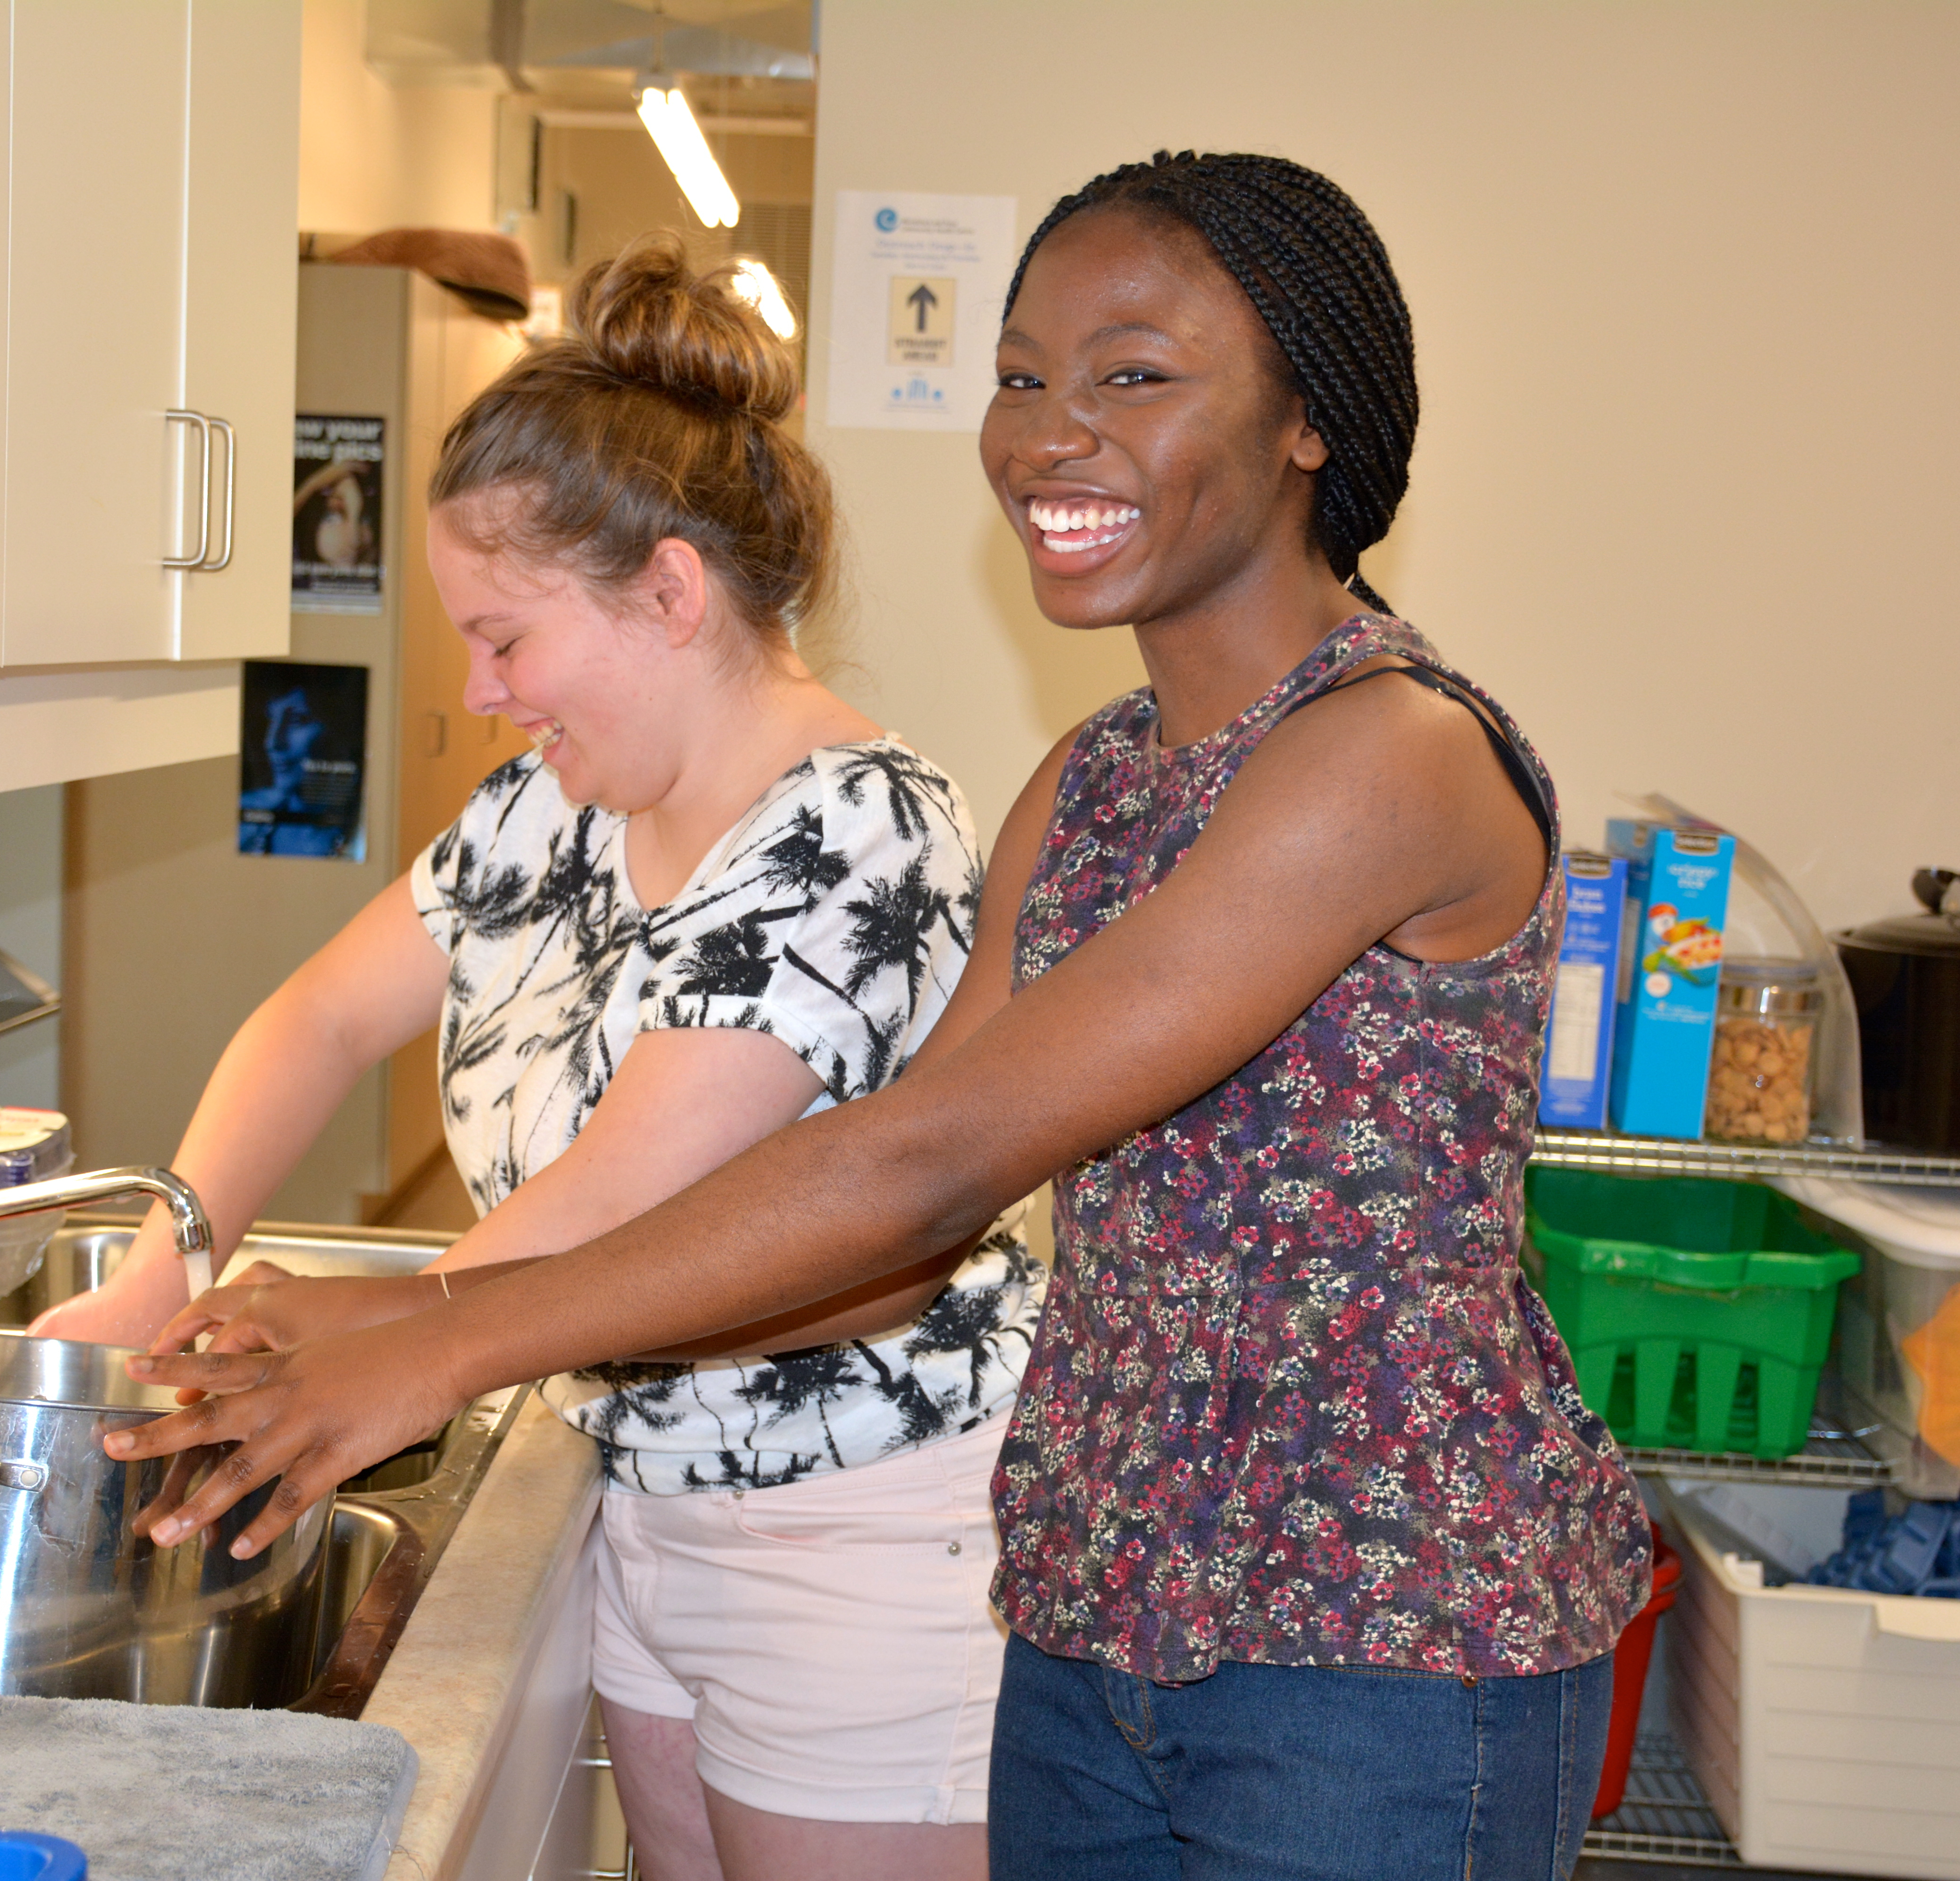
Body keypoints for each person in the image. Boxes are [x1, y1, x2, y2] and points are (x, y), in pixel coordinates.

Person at [107, 152, 1651, 1880]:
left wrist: (445, 1336)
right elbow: (896, 1228)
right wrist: (401, 1332)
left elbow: (934, 1158)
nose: (1049, 431)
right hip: (1093, 1596)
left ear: (1311, 423)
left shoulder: (1386, 756)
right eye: (1020, 376)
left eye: (1132, 375)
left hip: (1377, 1636)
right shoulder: (1092, 785)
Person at [37, 232, 1039, 1881]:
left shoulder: (859, 831)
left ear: (669, 592)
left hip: (857, 1524)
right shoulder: (552, 807)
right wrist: (169, 1264)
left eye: (506, 640)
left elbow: (623, 1198)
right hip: (643, 1493)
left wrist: (374, 1350)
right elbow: (325, 1014)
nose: (482, 692)